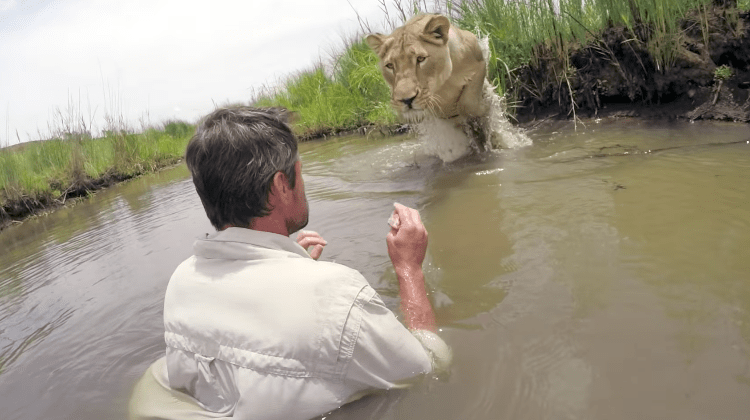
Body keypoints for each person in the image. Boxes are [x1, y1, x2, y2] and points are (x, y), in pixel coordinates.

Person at [129, 106, 451, 420]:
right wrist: (409, 268)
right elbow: (427, 368)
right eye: (300, 171)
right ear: (282, 185)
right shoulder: (336, 296)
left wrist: (286, 263)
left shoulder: (182, 280)